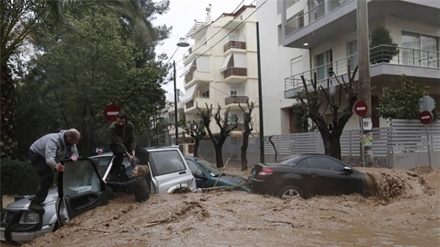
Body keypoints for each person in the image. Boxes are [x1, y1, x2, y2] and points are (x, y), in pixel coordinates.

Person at [28, 128, 81, 213]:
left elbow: (75, 153)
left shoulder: (71, 141)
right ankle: (35, 202)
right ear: (69, 139)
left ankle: (64, 192)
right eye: (76, 140)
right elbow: (49, 159)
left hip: (55, 156)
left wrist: (74, 156)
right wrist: (56, 166)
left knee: (65, 170)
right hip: (37, 154)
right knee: (47, 176)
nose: (77, 143)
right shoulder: (53, 140)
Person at [108, 112, 136, 180]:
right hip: (115, 144)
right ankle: (114, 174)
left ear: (125, 121)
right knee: (119, 153)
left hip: (127, 143)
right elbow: (119, 143)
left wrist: (133, 151)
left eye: (122, 122)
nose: (121, 123)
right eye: (119, 121)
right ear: (116, 120)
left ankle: (142, 171)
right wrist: (127, 155)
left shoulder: (130, 125)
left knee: (144, 152)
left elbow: (133, 139)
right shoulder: (112, 128)